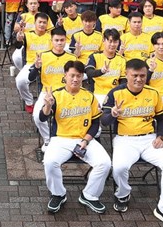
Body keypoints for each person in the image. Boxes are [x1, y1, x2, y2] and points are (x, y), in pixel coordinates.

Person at [102, 58, 163, 227]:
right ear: (127, 75)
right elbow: (104, 121)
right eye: (135, 75)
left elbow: (161, 118)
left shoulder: (153, 93)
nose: (139, 79)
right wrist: (113, 113)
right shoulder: (115, 93)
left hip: (149, 139)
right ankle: (123, 194)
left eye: (142, 76)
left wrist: (161, 136)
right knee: (119, 167)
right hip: (125, 139)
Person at [39, 60, 110, 214]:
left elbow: (96, 123)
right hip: (61, 139)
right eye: (72, 75)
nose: (75, 79)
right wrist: (48, 105)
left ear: (82, 76)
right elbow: (42, 118)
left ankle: (89, 195)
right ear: (65, 75)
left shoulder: (89, 96)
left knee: (105, 163)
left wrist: (86, 140)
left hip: (84, 139)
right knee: (50, 162)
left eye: (78, 76)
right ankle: (58, 194)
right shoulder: (56, 95)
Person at [28, 26, 75, 149]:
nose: (59, 43)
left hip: (67, 93)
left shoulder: (72, 58)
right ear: (51, 41)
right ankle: (48, 140)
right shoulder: (43, 56)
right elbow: (30, 77)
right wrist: (37, 68)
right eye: (57, 40)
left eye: (62, 40)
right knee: (38, 117)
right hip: (47, 93)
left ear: (66, 40)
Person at [14, 12, 53, 113]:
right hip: (31, 64)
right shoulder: (27, 35)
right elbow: (18, 45)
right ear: (35, 23)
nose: (42, 25)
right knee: (20, 81)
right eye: (39, 22)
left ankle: (48, 104)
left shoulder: (51, 37)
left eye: (44, 23)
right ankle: (29, 101)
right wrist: (19, 38)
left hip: (48, 65)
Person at [84, 28, 126, 105]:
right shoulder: (94, 56)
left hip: (114, 94)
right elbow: (89, 72)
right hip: (98, 94)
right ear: (103, 41)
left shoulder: (122, 59)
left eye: (115, 42)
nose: (112, 44)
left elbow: (123, 81)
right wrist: (101, 71)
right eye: (110, 41)